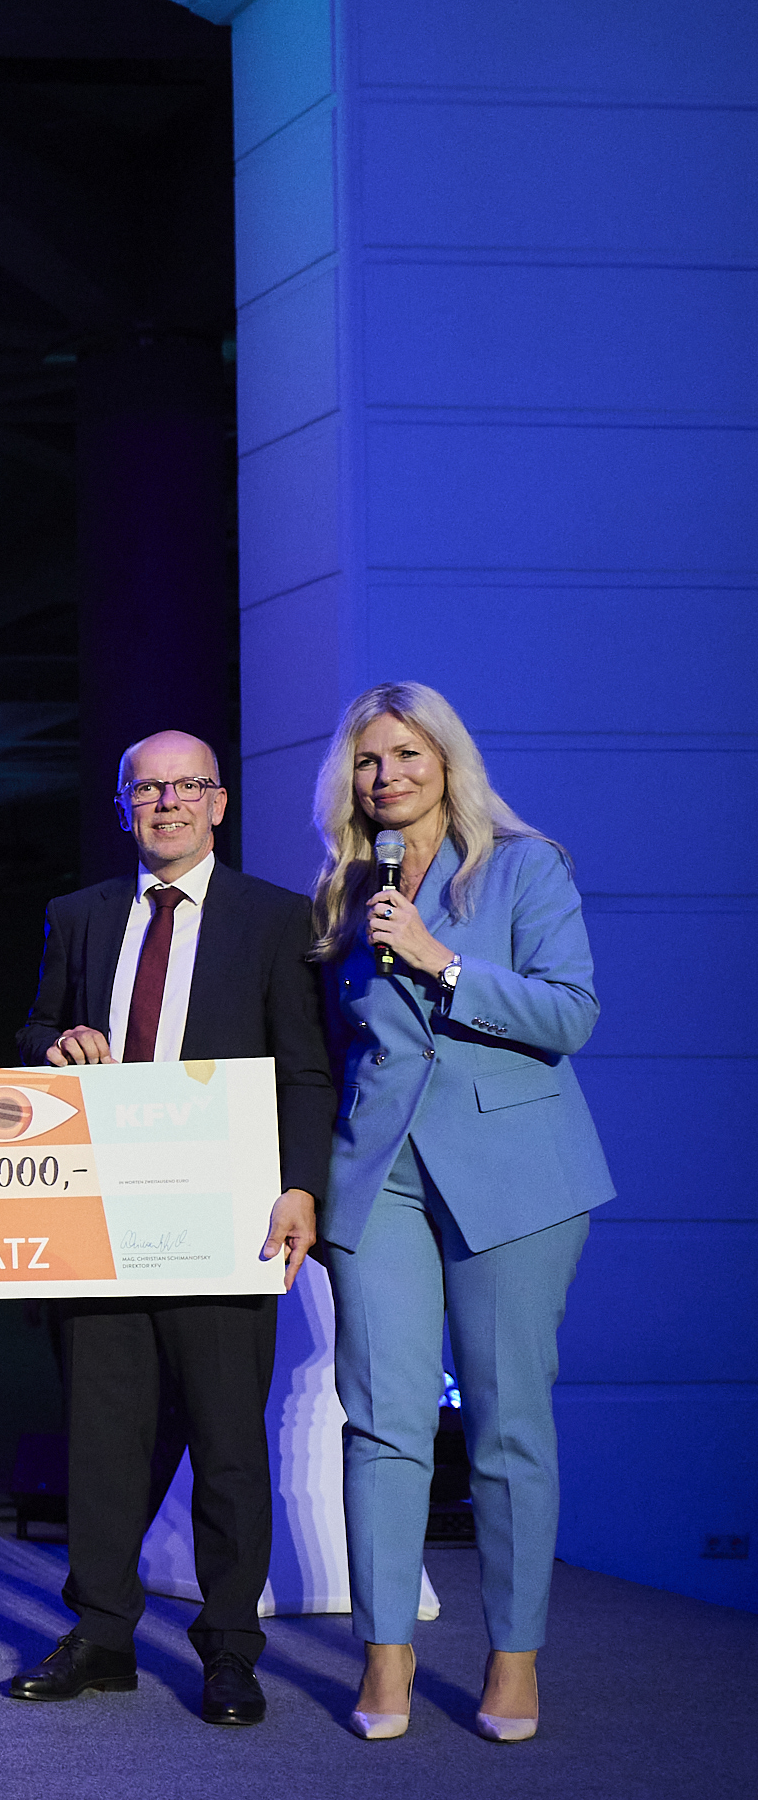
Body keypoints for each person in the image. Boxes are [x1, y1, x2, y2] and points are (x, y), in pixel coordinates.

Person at [6, 731, 332, 1729]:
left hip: (225, 1219)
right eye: (145, 788)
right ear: (122, 806)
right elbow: (29, 1031)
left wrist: (300, 1187)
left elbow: (304, 1067)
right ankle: (102, 1634)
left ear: (218, 803)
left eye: (186, 786)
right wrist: (56, 1042)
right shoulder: (79, 914)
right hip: (103, 1217)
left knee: (228, 1442)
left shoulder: (274, 917)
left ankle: (229, 1646)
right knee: (103, 1442)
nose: (166, 803)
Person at [314, 682, 608, 1745]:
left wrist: (443, 961)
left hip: (513, 1172)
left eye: (405, 753)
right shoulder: (347, 887)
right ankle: (384, 1653)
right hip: (380, 1172)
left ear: (446, 761)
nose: (385, 774)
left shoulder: (527, 866)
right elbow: (337, 1043)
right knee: (381, 1420)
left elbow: (569, 1013)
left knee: (504, 1422)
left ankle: (512, 1656)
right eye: (366, 759)